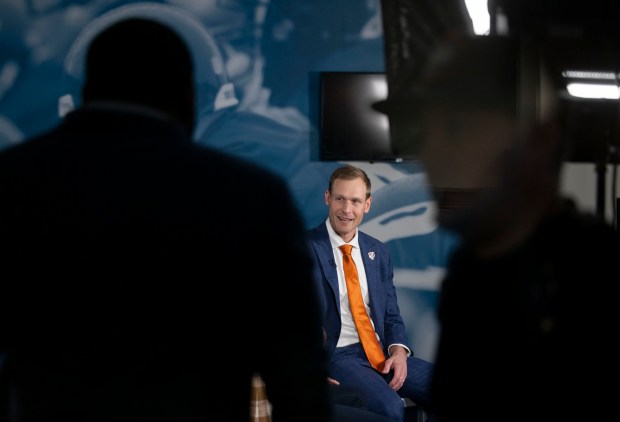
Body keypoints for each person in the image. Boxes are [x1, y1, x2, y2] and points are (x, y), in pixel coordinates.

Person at [0, 17, 331, 422]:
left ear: (82, 93)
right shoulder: (252, 192)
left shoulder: (13, 182)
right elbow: (296, 373)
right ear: (188, 94)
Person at [376, 34, 620, 422]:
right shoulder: (473, 270)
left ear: (538, 141)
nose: (431, 153)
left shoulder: (596, 273)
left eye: (455, 129)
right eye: (425, 130)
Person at [306, 164, 437, 422]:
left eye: (355, 201)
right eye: (340, 199)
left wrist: (399, 351)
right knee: (390, 407)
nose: (346, 209)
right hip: (339, 356)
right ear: (327, 198)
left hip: (381, 352)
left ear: (367, 204)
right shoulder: (303, 248)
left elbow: (391, 315)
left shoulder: (378, 252)